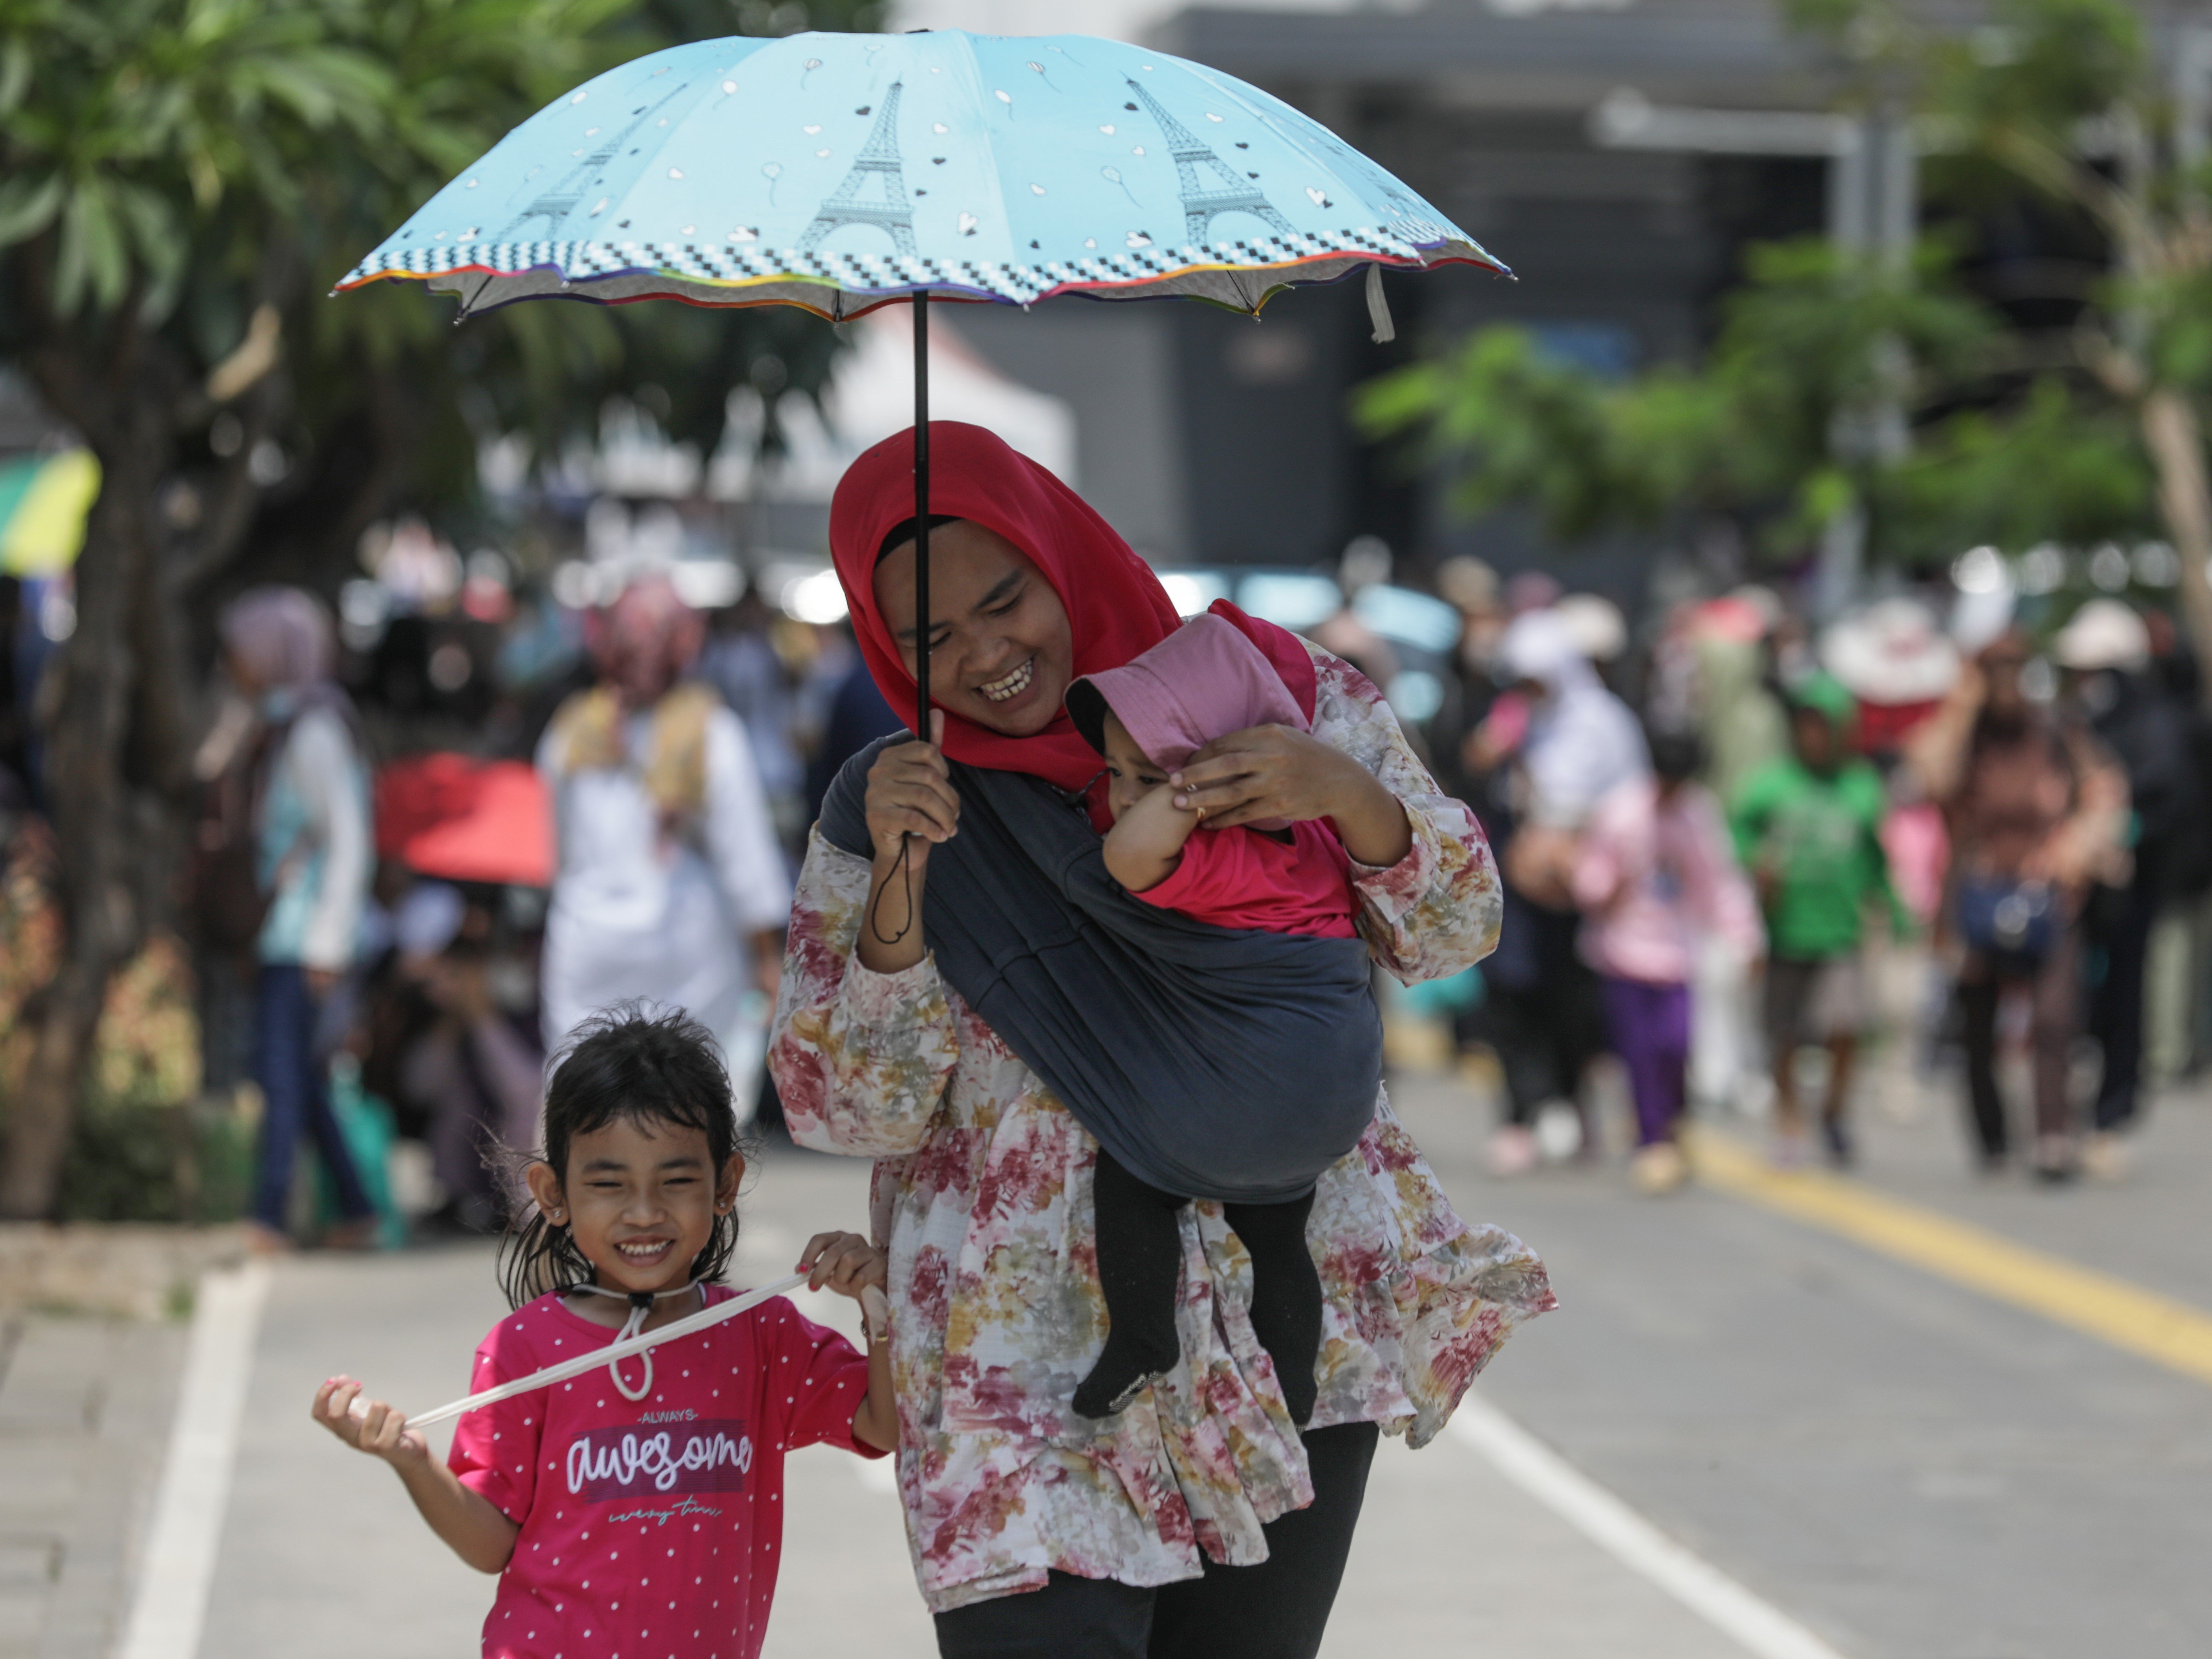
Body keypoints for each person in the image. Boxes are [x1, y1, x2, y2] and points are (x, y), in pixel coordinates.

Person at [771, 424, 1553, 1656]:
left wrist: (1344, 795)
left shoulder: (1266, 692)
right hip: (1017, 1363)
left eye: (1004, 599)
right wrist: (898, 898)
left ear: (1057, 554)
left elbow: (1456, 929)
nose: (983, 655)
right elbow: (846, 1108)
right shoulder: (888, 803)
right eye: (930, 639)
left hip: (1275, 1316)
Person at [311, 1005, 896, 1659]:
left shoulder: (759, 1334)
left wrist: (876, 1305)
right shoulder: (524, 1350)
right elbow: (489, 1543)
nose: (644, 1214)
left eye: (676, 1181)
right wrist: (412, 1461)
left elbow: (882, 1424)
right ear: (554, 1194)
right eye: (608, 1185)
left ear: (725, 1184)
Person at [1061, 613, 1373, 1424]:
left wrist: (1181, 797)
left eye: (1144, 776)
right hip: (1331, 1093)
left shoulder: (1212, 855)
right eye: (1115, 773)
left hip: (1247, 1086)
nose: (1121, 795)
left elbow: (1125, 861)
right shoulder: (1314, 840)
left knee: (1134, 1171)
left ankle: (1141, 1335)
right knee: (1277, 1235)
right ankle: (1296, 1387)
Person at [538, 576, 790, 1075]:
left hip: (585, 941)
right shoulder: (711, 730)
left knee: (580, 1102)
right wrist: (766, 958)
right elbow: (745, 856)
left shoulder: (568, 730)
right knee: (684, 1102)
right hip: (685, 950)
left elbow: (555, 849)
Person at [1906, 632, 2129, 1179]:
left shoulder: (2054, 732)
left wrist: (2072, 849)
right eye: (1995, 672)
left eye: (2014, 670)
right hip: (1980, 895)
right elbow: (1926, 776)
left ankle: (2053, 1134)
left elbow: (2105, 793)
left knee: (2055, 1018)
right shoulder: (1969, 737)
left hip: (2045, 896)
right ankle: (1992, 1136)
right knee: (1976, 1024)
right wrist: (1963, 703)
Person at [216, 587, 377, 1253]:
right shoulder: (277, 723)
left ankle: (270, 1214)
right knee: (298, 1078)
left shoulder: (313, 732)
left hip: (305, 937)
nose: (235, 666)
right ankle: (355, 1208)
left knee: (282, 1075)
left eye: (244, 652)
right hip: (282, 933)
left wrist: (328, 943)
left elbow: (347, 838)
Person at [1470, 608, 1648, 1172]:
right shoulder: (1520, 722)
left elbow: (1630, 802)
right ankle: (1521, 1113)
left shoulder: (1603, 723)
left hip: (1582, 890)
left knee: (1573, 1003)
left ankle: (1571, 1106)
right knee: (1511, 993)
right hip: (1520, 887)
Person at [1730, 674, 1910, 1168]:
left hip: (1840, 930)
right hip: (1785, 928)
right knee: (1783, 1031)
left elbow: (1877, 858)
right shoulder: (1773, 783)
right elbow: (1738, 830)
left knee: (1846, 1025)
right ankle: (1788, 1119)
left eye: (1821, 726)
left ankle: (1832, 1110)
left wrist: (1895, 911)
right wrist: (1757, 861)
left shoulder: (1859, 786)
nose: (1812, 736)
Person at [1573, 729, 1763, 1192]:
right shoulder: (1621, 811)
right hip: (1624, 950)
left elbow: (1717, 880)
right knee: (1638, 1050)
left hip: (1675, 952)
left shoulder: (1698, 817)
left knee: (1675, 1045)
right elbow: (1592, 871)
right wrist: (1602, 890)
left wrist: (1744, 935)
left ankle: (1671, 1122)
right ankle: (1651, 1139)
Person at [2053, 600, 2198, 1176]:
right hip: (2079, 884)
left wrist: (2123, 824)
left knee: (2124, 998)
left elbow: (2167, 795)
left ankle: (2112, 1111)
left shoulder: (2155, 723)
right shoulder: (2081, 721)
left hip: (2136, 888)